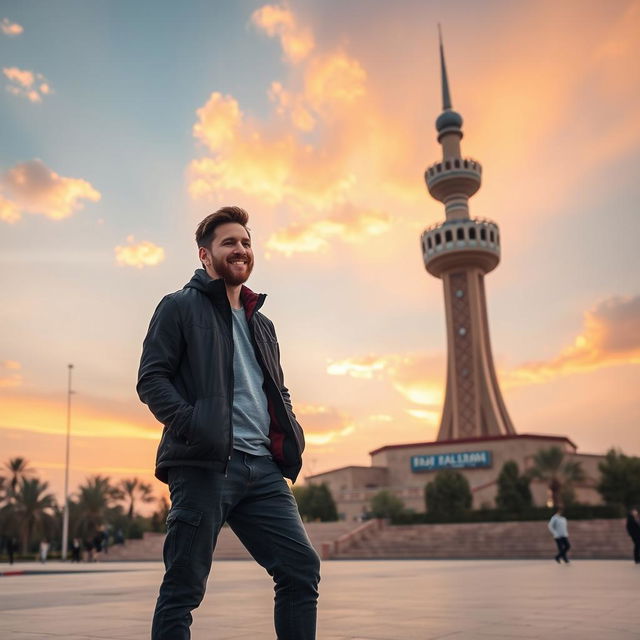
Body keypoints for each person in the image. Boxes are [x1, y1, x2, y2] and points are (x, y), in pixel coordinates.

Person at [137, 206, 320, 640]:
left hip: (264, 470)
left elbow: (276, 387)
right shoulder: (179, 307)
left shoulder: (263, 323)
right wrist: (195, 424)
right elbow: (151, 379)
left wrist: (290, 427)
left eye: (246, 242)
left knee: (300, 570)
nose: (240, 249)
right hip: (204, 465)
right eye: (229, 243)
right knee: (183, 587)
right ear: (205, 255)